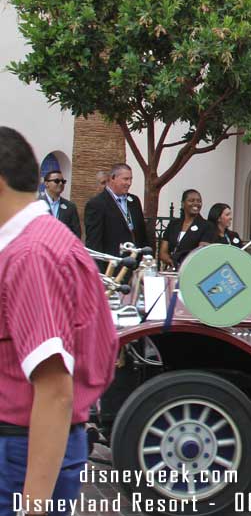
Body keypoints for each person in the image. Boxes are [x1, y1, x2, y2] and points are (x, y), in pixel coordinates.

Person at [0, 127, 118, 516]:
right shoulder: (38, 242)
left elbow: (54, 389)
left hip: (21, 450)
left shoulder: (31, 253)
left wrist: (32, 507)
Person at [84, 163, 151, 261]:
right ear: (112, 178)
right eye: (125, 179)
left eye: (130, 179)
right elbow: (94, 242)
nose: (129, 183)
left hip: (135, 263)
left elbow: (142, 234)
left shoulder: (134, 201)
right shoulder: (97, 204)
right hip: (113, 265)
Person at [159, 189, 209, 269]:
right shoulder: (173, 225)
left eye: (199, 201)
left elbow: (201, 252)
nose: (196, 203)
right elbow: (163, 252)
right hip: (172, 269)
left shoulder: (207, 226)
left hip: (192, 269)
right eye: (191, 200)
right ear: (183, 204)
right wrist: (171, 262)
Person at [39, 170, 81, 238]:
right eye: (57, 181)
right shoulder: (35, 205)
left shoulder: (70, 207)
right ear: (46, 183)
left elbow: (76, 234)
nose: (61, 183)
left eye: (63, 181)